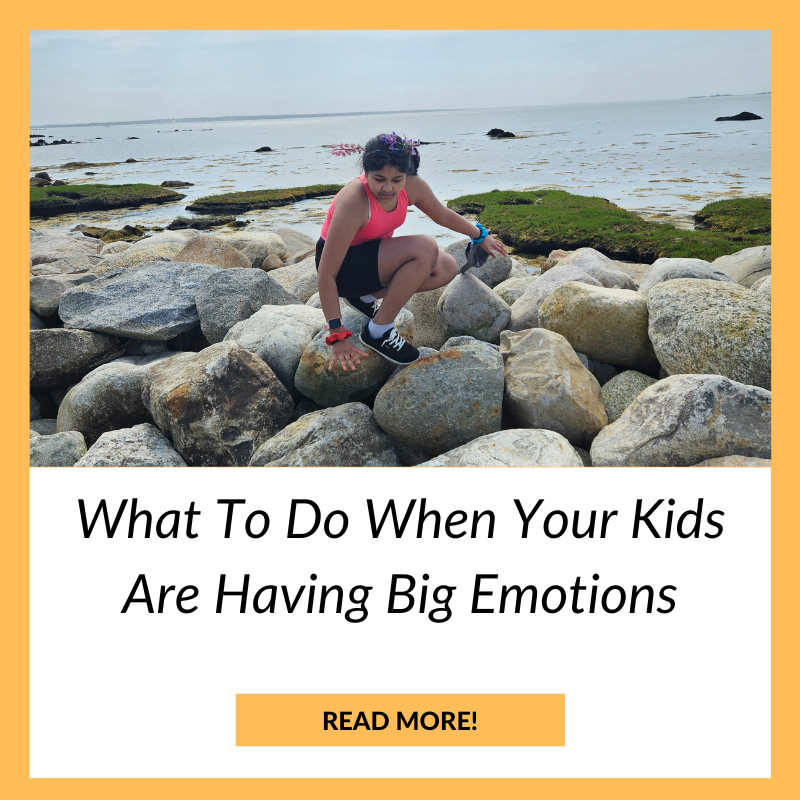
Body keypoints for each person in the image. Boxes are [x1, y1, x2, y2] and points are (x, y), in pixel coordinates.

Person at [316, 133, 508, 370]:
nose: (388, 187)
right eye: (379, 179)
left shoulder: (412, 186)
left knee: (445, 267)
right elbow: (326, 273)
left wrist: (480, 235)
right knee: (426, 247)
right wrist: (337, 333)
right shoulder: (354, 201)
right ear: (366, 172)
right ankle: (379, 331)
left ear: (406, 173)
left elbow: (442, 215)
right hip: (343, 269)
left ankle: (363, 297)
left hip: (371, 261)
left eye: (397, 179)